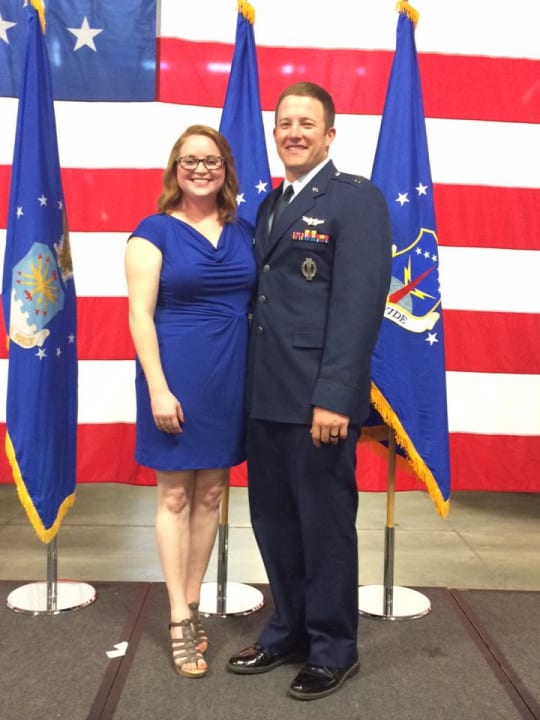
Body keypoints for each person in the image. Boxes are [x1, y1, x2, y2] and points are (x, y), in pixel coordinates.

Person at [226, 82, 392, 700]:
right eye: (285, 123)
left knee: (324, 528)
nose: (294, 132)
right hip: (266, 395)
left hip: (317, 399)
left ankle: (333, 648)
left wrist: (336, 395)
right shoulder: (271, 205)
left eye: (306, 123)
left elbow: (358, 305)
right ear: (275, 133)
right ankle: (288, 630)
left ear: (330, 134)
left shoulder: (356, 199)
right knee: (273, 523)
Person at [125, 125, 256, 678]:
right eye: (190, 160)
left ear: (226, 169)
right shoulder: (152, 232)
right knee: (176, 495)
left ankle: (194, 597)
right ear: (174, 169)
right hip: (173, 374)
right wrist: (158, 387)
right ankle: (178, 615)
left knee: (212, 495)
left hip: (230, 376)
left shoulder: (245, 231)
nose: (201, 169)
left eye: (211, 161)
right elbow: (139, 315)